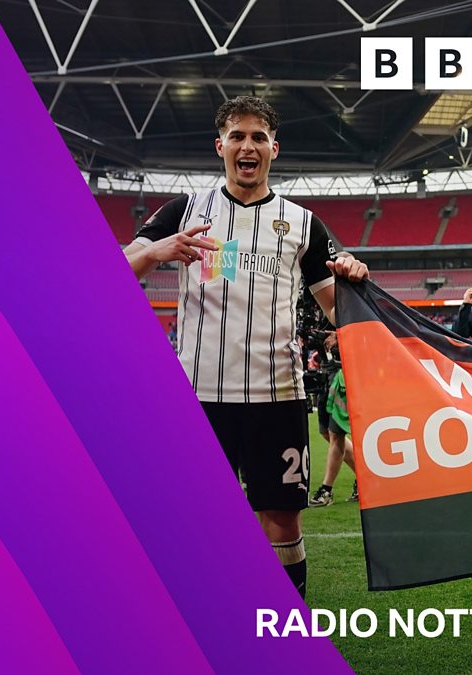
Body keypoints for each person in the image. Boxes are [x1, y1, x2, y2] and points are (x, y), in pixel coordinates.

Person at [123, 95, 369, 599]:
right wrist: (158, 250)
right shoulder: (186, 210)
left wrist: (353, 278)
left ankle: (282, 627)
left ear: (274, 148)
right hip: (197, 399)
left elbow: (336, 310)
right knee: (194, 517)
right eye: (237, 136)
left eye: (259, 137)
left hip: (276, 398)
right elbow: (118, 269)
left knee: (281, 518)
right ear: (221, 146)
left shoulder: (303, 223)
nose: (248, 146)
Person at [310, 332, 358, 506]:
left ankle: (326, 489)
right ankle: (365, 479)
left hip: (343, 374)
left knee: (336, 434)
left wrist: (340, 335)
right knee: (326, 432)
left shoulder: (346, 314)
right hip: (326, 373)